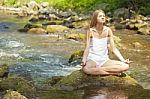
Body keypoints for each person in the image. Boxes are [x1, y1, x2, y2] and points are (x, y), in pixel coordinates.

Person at [81, 10, 132, 75]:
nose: (102, 17)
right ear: (95, 18)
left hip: (104, 60)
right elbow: (87, 48)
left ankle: (98, 71)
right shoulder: (90, 31)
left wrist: (123, 60)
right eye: (100, 16)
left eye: (103, 16)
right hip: (92, 60)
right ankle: (113, 72)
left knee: (125, 66)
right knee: (86, 69)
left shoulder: (108, 30)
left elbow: (114, 49)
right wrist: (84, 60)